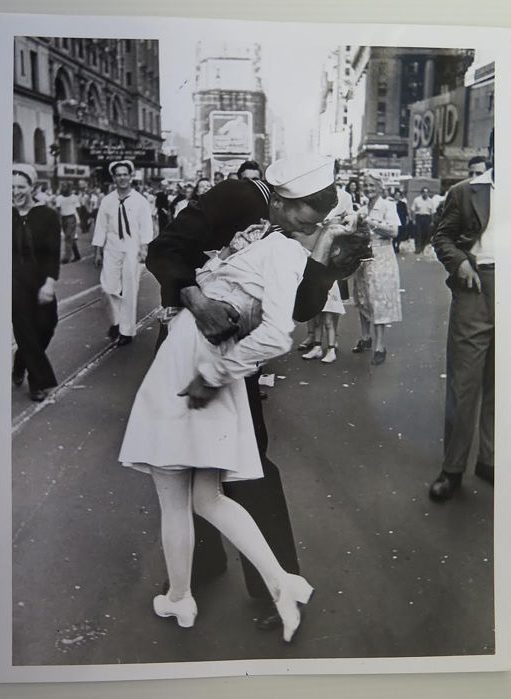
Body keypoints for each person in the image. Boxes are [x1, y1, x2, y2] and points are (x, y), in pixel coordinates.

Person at [120, 155, 368, 640]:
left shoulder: (298, 239)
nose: (312, 226)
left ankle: (268, 585)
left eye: (321, 221)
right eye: (309, 217)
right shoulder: (238, 196)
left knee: (242, 467)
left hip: (230, 358)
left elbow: (297, 312)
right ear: (283, 199)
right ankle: (199, 570)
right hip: (195, 339)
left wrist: (323, 261)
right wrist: (197, 300)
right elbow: (166, 249)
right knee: (198, 479)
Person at [428, 165, 495, 501]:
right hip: (476, 285)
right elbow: (441, 237)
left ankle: (490, 459)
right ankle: (452, 468)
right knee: (464, 382)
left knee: (505, 381)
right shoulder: (465, 191)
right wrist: (459, 262)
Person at [11, 164, 61, 402]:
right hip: (12, 279)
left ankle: (21, 360)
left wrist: (49, 283)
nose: (15, 192)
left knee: (47, 324)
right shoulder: (1, 214)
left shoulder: (47, 216)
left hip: (40, 277)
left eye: (21, 187)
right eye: (11, 187)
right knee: (25, 328)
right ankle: (37, 380)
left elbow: (53, 252)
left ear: (32, 187)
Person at [92, 160, 154, 346]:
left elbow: (146, 227)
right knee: (107, 288)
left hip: (132, 247)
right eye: (118, 175)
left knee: (129, 289)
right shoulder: (107, 201)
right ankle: (116, 321)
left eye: (125, 174)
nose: (122, 178)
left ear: (131, 176)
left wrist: (144, 248)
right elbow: (100, 227)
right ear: (114, 178)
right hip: (111, 247)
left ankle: (126, 331)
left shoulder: (140, 201)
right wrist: (97, 251)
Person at [351, 172, 402, 365]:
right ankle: (366, 338)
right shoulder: (362, 208)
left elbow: (394, 231)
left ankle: (380, 346)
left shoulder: (388, 206)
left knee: (379, 300)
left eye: (372, 185)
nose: (368, 188)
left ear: (380, 187)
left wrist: (370, 222)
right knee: (363, 298)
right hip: (363, 257)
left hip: (382, 257)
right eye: (366, 185)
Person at [301, 184, 354, 362]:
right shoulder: (311, 193)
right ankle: (314, 342)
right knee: (314, 309)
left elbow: (350, 221)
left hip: (332, 257)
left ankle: (332, 344)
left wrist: (336, 223)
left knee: (330, 311)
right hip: (313, 250)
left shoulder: (344, 197)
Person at [55, 183, 81, 263]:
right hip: (63, 218)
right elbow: (58, 210)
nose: (63, 188)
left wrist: (77, 219)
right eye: (62, 187)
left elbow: (78, 209)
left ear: (69, 188)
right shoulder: (59, 198)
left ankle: (66, 257)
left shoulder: (74, 197)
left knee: (68, 237)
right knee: (70, 237)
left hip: (71, 218)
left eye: (65, 187)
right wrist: (58, 220)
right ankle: (77, 255)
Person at [411, 187, 436, 254]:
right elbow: (413, 210)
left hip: (427, 218)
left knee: (425, 233)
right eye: (424, 192)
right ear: (421, 193)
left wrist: (432, 221)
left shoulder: (431, 201)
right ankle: (417, 248)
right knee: (418, 233)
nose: (425, 194)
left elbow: (432, 212)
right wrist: (413, 220)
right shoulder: (417, 200)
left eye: (427, 192)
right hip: (419, 217)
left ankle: (423, 247)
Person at [392, 189, 409, 253]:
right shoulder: (391, 203)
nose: (397, 196)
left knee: (399, 234)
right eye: (396, 195)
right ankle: (393, 245)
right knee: (393, 234)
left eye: (399, 195)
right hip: (393, 220)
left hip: (400, 220)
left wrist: (406, 219)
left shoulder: (402, 204)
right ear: (394, 195)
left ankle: (398, 246)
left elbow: (405, 213)